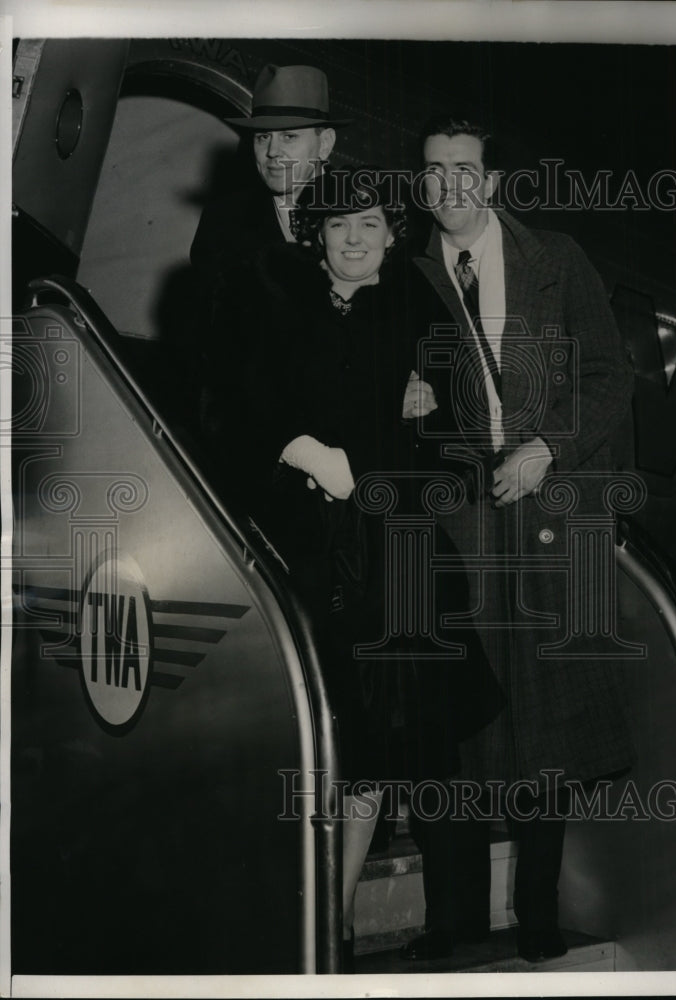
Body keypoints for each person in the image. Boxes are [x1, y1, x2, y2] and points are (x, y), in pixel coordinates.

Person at [217, 166, 503, 970]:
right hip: (297, 547)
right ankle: (297, 912)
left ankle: (335, 919)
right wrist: (303, 452)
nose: (354, 238)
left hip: (393, 549)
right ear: (315, 235)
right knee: (309, 727)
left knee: (381, 740)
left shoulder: (418, 307)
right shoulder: (270, 298)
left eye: (370, 225)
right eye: (338, 225)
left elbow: (467, 426)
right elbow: (236, 405)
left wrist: (432, 407)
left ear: (391, 235)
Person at [403, 116, 636, 964]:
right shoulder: (407, 272)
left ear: (492, 183)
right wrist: (411, 409)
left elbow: (610, 378)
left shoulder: (556, 260)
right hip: (462, 519)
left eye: (463, 170)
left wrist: (551, 449)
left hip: (546, 515)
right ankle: (454, 918)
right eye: (432, 172)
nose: (446, 187)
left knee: (550, 728)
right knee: (458, 721)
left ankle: (536, 916)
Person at [189, 63, 350, 458]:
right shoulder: (223, 226)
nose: (273, 152)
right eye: (263, 138)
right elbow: (219, 361)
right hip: (261, 450)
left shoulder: (367, 213)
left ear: (324, 144)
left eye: (289, 137)